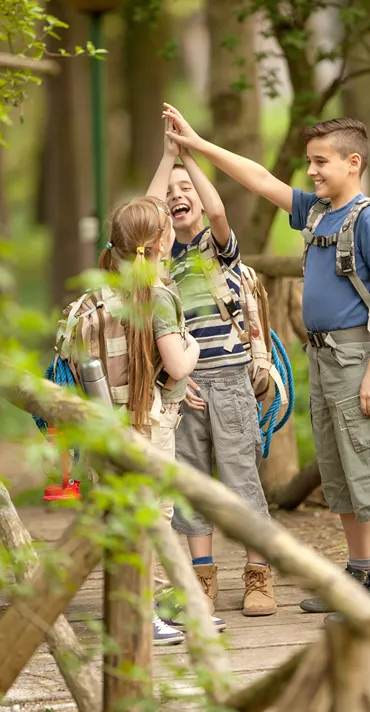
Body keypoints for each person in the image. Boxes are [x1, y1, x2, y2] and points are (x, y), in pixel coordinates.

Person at [163, 105, 370, 623]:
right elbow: (257, 179)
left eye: (321, 162)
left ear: (353, 162)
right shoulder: (317, 211)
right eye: (309, 163)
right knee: (339, 472)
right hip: (321, 357)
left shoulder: (369, 218)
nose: (312, 171)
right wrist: (199, 145)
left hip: (355, 357)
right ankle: (359, 572)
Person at [146, 115, 277, 619]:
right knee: (193, 482)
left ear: (198, 201)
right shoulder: (159, 258)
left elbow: (218, 207)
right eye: (172, 192)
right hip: (185, 385)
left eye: (187, 190)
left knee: (242, 479)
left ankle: (258, 575)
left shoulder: (217, 249)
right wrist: (166, 158)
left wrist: (191, 153)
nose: (178, 195)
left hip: (231, 382)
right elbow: (149, 210)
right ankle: (201, 581)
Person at [100, 186, 201, 644]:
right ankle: (143, 616)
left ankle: (144, 607)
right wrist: (193, 346)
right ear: (162, 243)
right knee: (154, 515)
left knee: (130, 513)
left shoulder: (117, 286)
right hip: (149, 421)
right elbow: (177, 363)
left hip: (119, 415)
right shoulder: (156, 294)